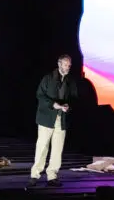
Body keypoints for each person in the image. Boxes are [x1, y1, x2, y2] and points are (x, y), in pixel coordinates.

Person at [29, 54, 78, 187]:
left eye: (69, 65)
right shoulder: (48, 78)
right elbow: (40, 95)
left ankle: (52, 175)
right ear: (59, 64)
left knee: (57, 148)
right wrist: (53, 104)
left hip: (61, 119)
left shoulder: (70, 81)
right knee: (42, 146)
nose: (68, 67)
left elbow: (74, 97)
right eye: (66, 64)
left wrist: (68, 106)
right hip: (47, 118)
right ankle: (35, 174)